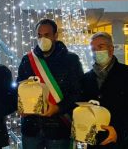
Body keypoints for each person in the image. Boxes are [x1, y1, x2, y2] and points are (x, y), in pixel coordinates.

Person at [17, 19, 84, 149]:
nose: (43, 38)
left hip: (59, 128)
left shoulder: (71, 60)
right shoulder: (27, 60)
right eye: (39, 35)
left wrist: (59, 108)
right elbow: (19, 86)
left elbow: (78, 92)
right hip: (31, 128)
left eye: (47, 35)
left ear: (55, 36)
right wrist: (21, 105)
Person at [79, 32, 128, 148]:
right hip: (95, 142)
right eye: (93, 49)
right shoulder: (86, 78)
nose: (96, 52)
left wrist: (119, 131)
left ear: (111, 49)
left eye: (100, 47)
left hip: (123, 142)